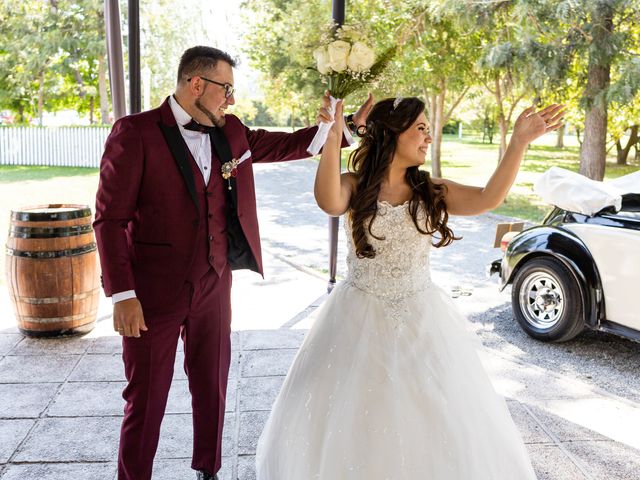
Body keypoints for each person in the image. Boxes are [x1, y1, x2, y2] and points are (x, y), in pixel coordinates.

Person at [94, 46, 372, 480]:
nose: (232, 99)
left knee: (213, 387)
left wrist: (344, 125)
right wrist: (123, 295)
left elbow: (292, 145)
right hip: (152, 296)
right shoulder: (135, 133)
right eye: (226, 89)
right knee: (145, 398)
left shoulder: (233, 131)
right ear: (196, 84)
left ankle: (209, 470)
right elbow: (109, 220)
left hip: (214, 284)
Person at [256, 96, 564, 478]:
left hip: (421, 318)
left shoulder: (430, 190)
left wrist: (518, 142)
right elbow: (328, 201)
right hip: (358, 317)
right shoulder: (355, 186)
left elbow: (488, 199)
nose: (428, 137)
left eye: (427, 129)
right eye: (420, 128)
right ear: (391, 134)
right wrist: (333, 136)